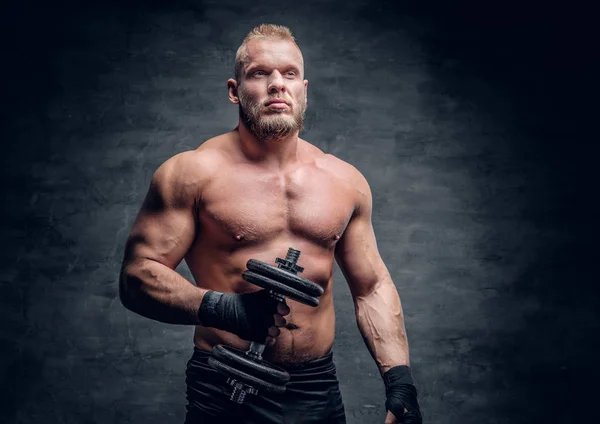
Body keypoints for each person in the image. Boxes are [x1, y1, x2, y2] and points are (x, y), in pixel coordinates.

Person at [119, 24, 422, 424]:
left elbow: (372, 287)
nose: (277, 84)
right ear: (235, 90)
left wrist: (399, 380)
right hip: (226, 384)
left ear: (303, 90)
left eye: (289, 74)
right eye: (260, 73)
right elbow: (137, 278)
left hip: (316, 388)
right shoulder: (190, 174)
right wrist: (225, 308)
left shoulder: (345, 181)